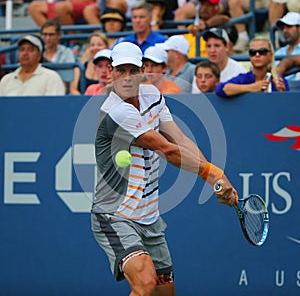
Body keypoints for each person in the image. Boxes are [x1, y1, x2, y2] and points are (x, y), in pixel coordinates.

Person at [92, 41, 238, 296]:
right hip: (115, 216)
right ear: (110, 73)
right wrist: (214, 173)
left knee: (165, 292)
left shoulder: (152, 96)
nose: (126, 77)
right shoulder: (115, 111)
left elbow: (180, 140)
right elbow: (168, 150)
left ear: (142, 71)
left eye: (132, 70)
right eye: (120, 70)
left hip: (150, 218)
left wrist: (215, 178)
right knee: (145, 284)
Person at [215, 36, 290, 97]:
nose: (257, 55)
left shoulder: (278, 81)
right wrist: (252, 87)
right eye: (253, 52)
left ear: (270, 55)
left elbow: (288, 107)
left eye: (262, 51)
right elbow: (221, 89)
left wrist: (282, 94)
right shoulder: (245, 79)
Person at [0, 35, 65, 96]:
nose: (25, 53)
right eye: (22, 49)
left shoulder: (51, 77)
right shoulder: (6, 80)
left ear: (39, 55)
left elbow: (55, 106)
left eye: (31, 50)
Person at [28, 0, 97, 26]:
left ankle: (73, 42)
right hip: (66, 1)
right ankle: (52, 38)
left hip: (89, 1)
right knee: (34, 7)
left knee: (61, 8)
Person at [274, 12, 300, 80]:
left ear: (299, 28)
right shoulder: (279, 52)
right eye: (283, 27)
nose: (285, 30)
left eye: (289, 26)